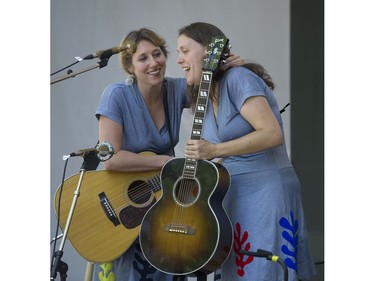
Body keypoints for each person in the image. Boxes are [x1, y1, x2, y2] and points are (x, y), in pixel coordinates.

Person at [92, 27, 243, 281]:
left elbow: (208, 84)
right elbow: (110, 159)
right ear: (129, 67)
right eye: (143, 58)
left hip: (164, 197)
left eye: (157, 54)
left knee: (170, 258)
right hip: (124, 198)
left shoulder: (176, 89)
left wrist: (230, 68)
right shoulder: (116, 95)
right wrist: (165, 161)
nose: (154, 63)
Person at [176, 22, 317, 281]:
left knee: (265, 271)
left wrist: (215, 149)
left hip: (266, 189)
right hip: (232, 193)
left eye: (185, 51)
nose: (179, 59)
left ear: (208, 50)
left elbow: (271, 134)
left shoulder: (239, 78)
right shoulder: (204, 93)